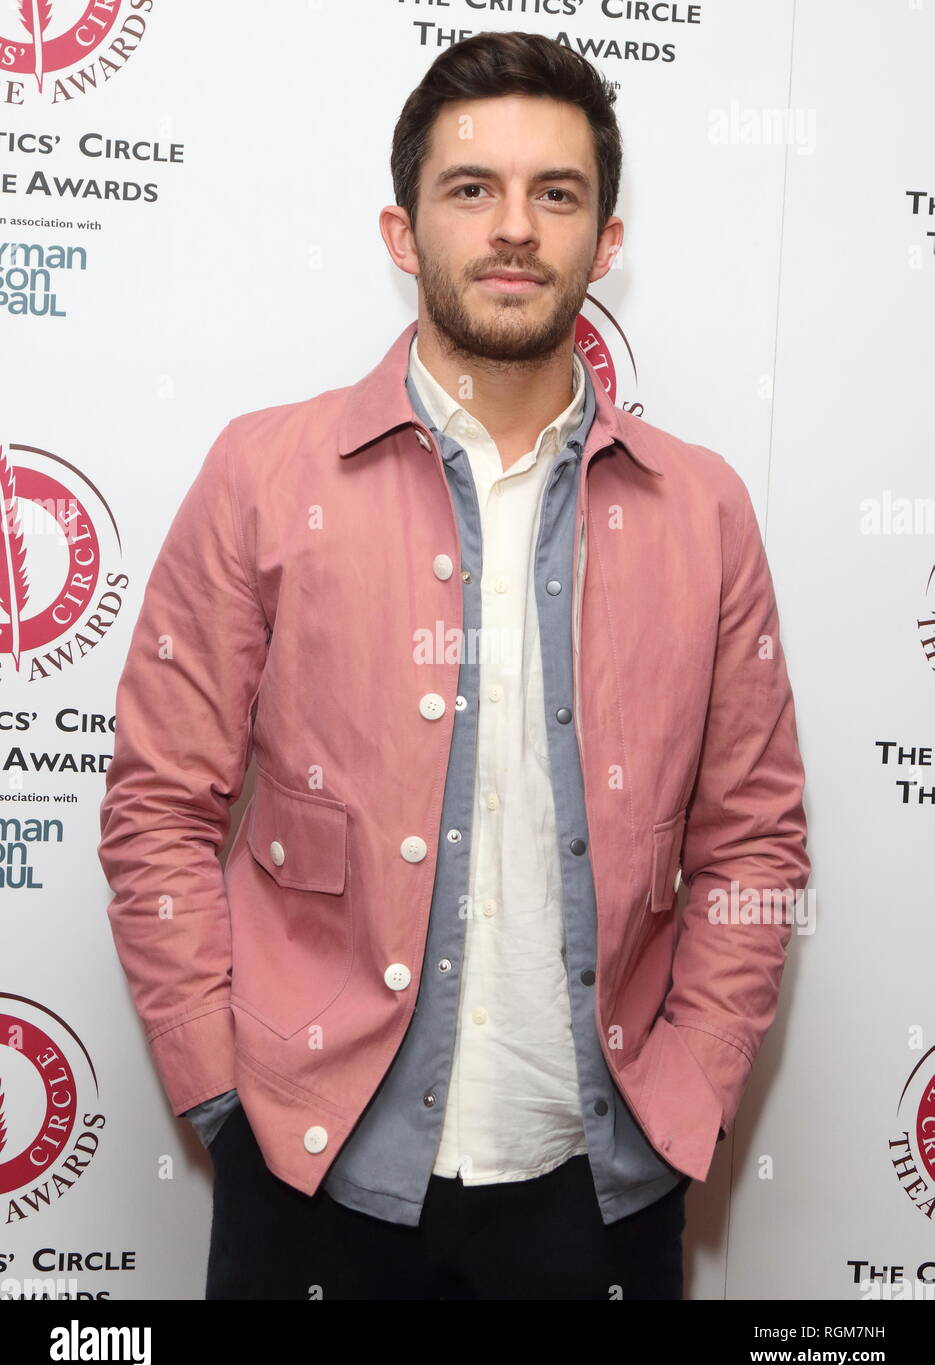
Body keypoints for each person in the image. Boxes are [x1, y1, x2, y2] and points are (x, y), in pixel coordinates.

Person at [97, 29, 810, 1301]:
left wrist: (688, 1085)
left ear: (606, 241)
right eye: (470, 188)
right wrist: (216, 1085)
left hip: (596, 1185)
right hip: (311, 1171)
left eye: (558, 193)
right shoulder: (264, 476)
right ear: (399, 229)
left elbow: (754, 838)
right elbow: (160, 802)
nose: (515, 228)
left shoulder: (703, 511)